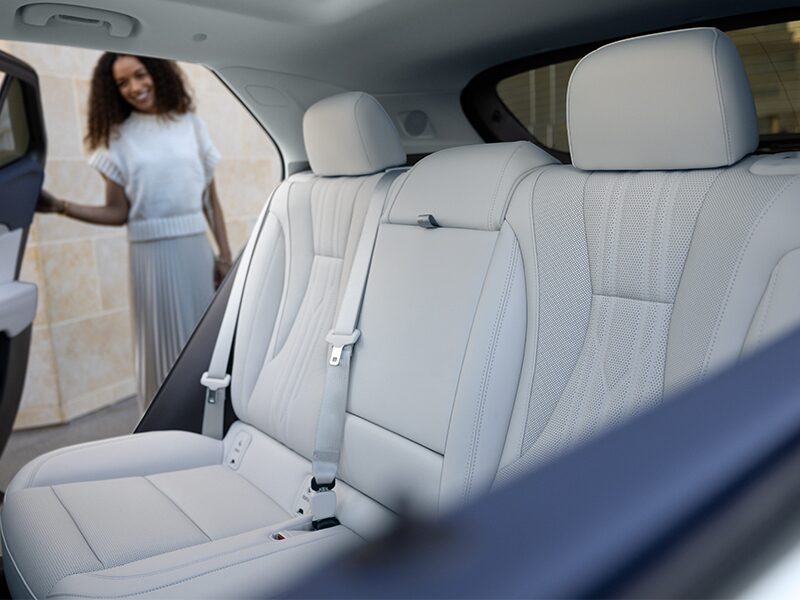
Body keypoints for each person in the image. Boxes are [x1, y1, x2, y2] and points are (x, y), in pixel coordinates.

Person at [36, 53, 233, 410]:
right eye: (122, 83)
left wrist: (224, 255)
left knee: (206, 345)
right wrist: (59, 206)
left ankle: (211, 422)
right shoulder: (116, 139)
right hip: (150, 259)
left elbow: (210, 202)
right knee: (162, 352)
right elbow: (116, 213)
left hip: (195, 251)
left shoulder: (191, 124)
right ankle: (164, 428)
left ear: (156, 72)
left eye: (139, 75)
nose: (134, 88)